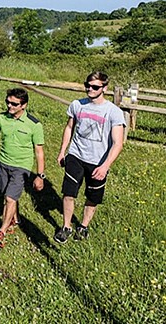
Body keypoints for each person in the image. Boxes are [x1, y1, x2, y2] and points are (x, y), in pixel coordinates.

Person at [54, 71, 125, 243]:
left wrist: (105, 166)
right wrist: (63, 151)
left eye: (95, 87)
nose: (90, 89)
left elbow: (118, 143)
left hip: (98, 162)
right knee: (69, 193)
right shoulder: (77, 105)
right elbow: (69, 128)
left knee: (92, 197)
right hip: (76, 156)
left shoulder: (113, 112)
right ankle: (66, 227)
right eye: (87, 85)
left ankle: (83, 226)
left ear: (104, 88)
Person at [0, 88, 45, 249]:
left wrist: (40, 175)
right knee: (7, 194)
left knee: (10, 199)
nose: (9, 106)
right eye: (8, 102)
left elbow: (39, 152)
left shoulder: (34, 124)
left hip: (22, 167)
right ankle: (15, 219)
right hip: (3, 163)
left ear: (24, 105)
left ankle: (1, 231)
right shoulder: (1, 118)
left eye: (14, 104)